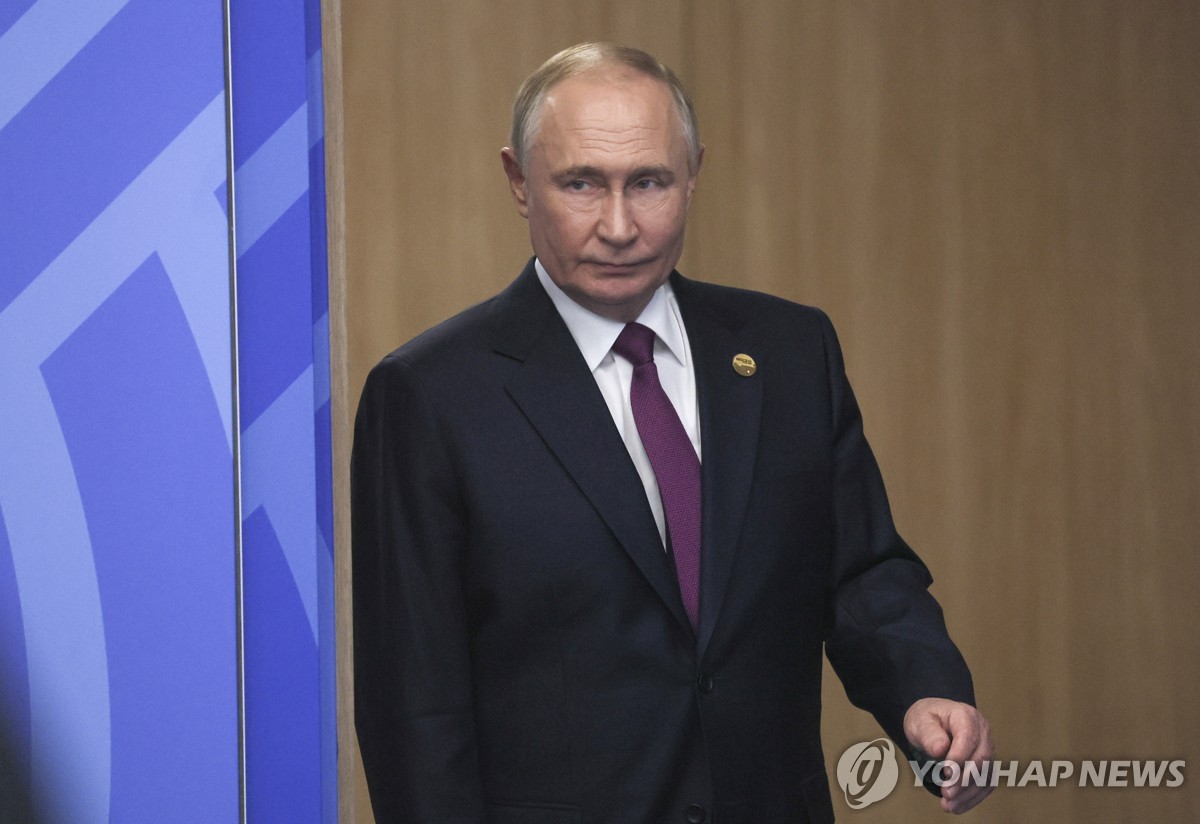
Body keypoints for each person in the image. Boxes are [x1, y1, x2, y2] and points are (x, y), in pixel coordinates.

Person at [352, 42, 994, 823]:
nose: (619, 225)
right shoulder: (430, 395)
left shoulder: (792, 354)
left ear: (693, 175)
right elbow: (414, 707)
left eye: (648, 182)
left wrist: (923, 685)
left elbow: (862, 571)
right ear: (519, 183)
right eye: (581, 183)